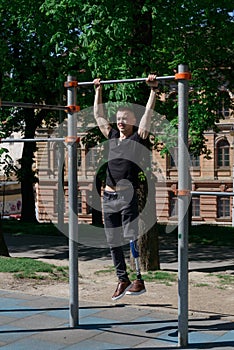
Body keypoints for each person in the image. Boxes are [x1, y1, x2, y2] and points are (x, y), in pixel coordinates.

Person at [93, 75, 158, 301]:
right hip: (108, 196)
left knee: (130, 236)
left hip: (126, 195)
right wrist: (98, 90)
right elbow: (98, 115)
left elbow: (148, 115)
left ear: (132, 120)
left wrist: (152, 90)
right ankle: (123, 279)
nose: (120, 122)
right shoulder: (111, 135)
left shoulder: (139, 138)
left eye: (125, 118)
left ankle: (139, 279)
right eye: (119, 118)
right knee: (112, 240)